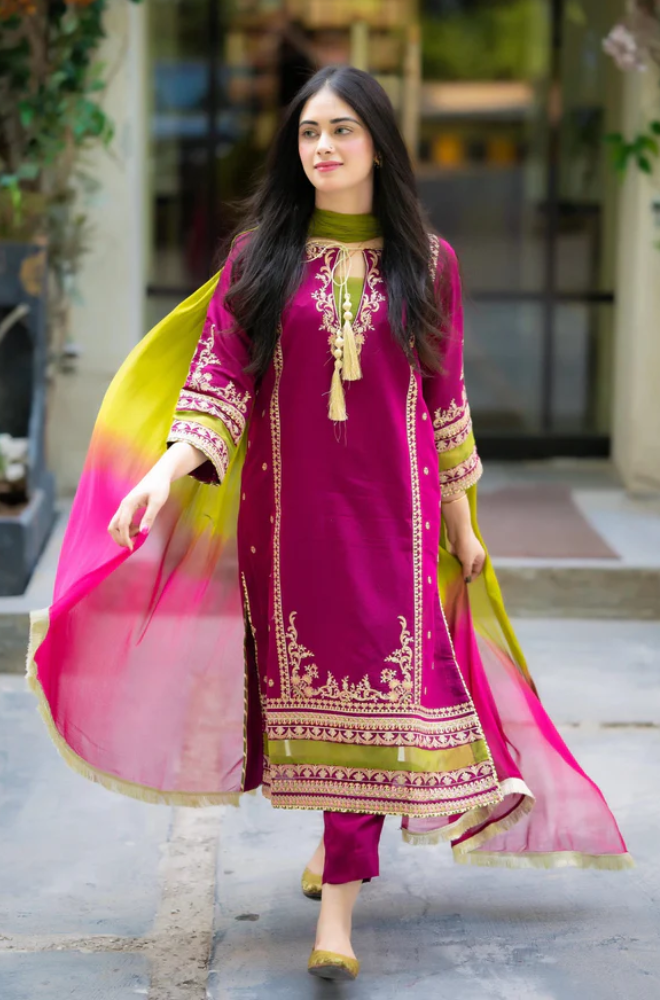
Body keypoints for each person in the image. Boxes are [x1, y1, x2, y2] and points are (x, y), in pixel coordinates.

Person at [27, 66, 632, 984]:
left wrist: (464, 523)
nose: (323, 149)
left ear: (379, 145)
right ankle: (341, 841)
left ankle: (341, 902)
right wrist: (155, 481)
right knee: (314, 694)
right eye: (309, 133)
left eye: (342, 131)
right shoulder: (258, 258)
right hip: (290, 523)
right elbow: (218, 385)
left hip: (397, 520)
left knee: (379, 689)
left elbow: (443, 400)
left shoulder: (429, 264)